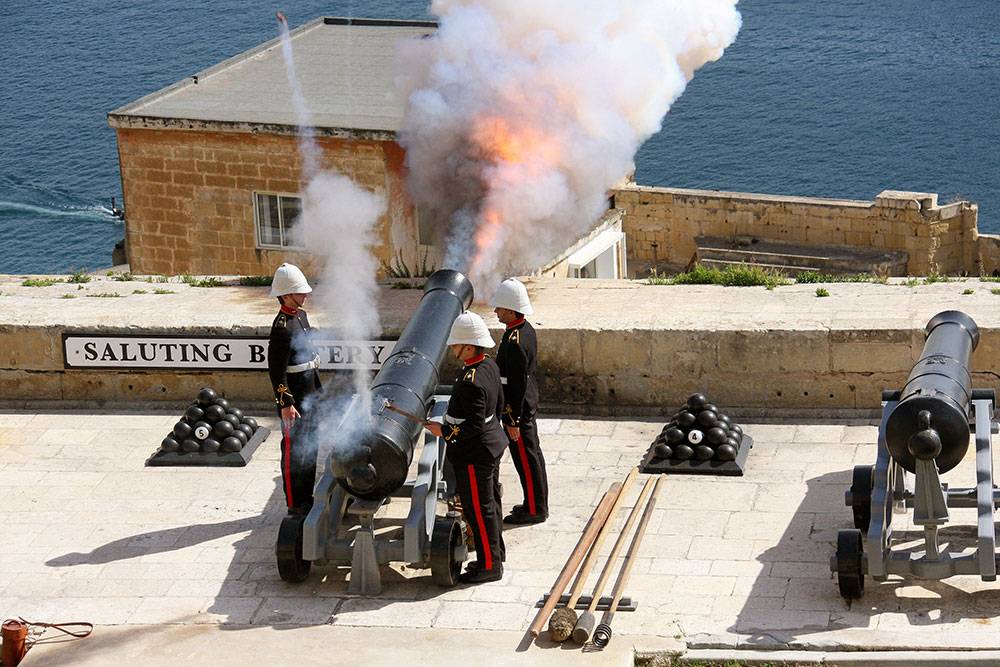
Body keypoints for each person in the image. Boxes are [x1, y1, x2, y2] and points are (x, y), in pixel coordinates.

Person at [425, 312, 506, 583]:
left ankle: (489, 566)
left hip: (474, 452)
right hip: (491, 443)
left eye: (456, 344)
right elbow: (496, 406)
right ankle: (495, 555)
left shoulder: (472, 380)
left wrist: (445, 431)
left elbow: (472, 424)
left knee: (478, 510)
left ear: (469, 347)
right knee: (491, 504)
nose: (452, 348)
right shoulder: (488, 366)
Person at [492, 278, 548, 524]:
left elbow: (515, 383)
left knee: (526, 458)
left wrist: (512, 418)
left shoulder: (515, 342)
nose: (496, 311)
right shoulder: (522, 330)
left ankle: (535, 509)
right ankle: (534, 502)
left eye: (500, 308)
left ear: (512, 309)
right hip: (525, 399)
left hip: (518, 405)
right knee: (532, 454)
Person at [267, 263, 322, 515]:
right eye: (300, 292)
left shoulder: (301, 316)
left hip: (310, 392)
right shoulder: (282, 328)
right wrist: (285, 404)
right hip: (295, 400)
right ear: (287, 294)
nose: (305, 295)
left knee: (310, 447)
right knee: (293, 452)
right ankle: (294, 503)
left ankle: (306, 496)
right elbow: (276, 370)